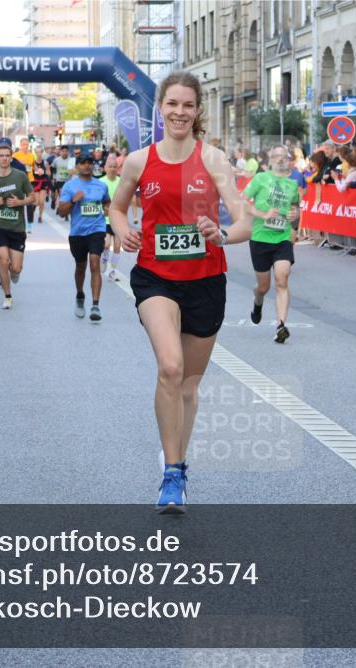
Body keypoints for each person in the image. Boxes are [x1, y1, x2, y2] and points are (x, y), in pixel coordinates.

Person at [108, 70, 251, 513]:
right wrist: (125, 228)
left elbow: (245, 221)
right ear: (161, 107)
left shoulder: (214, 161)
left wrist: (221, 233)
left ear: (198, 110)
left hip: (206, 279)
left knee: (189, 383)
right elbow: (116, 207)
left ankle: (179, 460)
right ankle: (171, 474)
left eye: (188, 105)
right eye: (172, 104)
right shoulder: (138, 161)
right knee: (170, 367)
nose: (180, 112)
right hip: (155, 276)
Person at [243, 145, 301, 343]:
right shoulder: (260, 179)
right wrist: (262, 214)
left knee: (282, 279)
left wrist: (295, 215)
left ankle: (281, 325)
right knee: (263, 287)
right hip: (260, 238)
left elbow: (296, 209)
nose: (280, 160)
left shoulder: (292, 184)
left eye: (284, 157)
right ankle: (257, 302)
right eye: (276, 156)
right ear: (270, 160)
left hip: (282, 237)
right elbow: (242, 201)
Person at [0, 143, 33, 310]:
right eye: (1, 155)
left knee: (15, 268)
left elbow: (33, 197)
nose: (4, 158)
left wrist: (20, 202)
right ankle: (8, 296)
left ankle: (13, 273)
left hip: (17, 227)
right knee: (3, 260)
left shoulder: (20, 176)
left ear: (11, 158)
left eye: (7, 155)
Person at [57, 153, 110, 321]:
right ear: (77, 166)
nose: (87, 166)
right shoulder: (70, 186)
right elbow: (61, 211)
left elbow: (106, 202)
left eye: (90, 163)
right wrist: (74, 201)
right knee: (80, 266)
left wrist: (108, 209)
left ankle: (95, 305)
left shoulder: (101, 185)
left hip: (97, 230)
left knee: (95, 262)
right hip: (77, 233)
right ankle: (80, 295)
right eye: (83, 163)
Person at [99, 156, 124, 281]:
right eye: (110, 166)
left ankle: (112, 270)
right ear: (105, 168)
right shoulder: (101, 182)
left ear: (118, 168)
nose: (112, 169)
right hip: (105, 219)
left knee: (117, 247)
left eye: (115, 166)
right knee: (106, 244)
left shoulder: (121, 181)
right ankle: (104, 258)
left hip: (118, 219)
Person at [12, 138, 37, 230]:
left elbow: (34, 167)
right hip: (18, 181)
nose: (26, 146)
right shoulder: (15, 155)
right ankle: (17, 221)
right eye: (24, 144)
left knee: (30, 202)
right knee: (18, 201)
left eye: (27, 145)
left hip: (29, 180)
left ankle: (29, 223)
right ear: (20, 145)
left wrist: (39, 170)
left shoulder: (31, 155)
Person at [51, 145, 75, 214]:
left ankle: (61, 207)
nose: (64, 153)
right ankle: (61, 208)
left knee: (67, 196)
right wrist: (53, 178)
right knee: (62, 195)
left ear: (68, 152)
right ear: (60, 152)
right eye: (63, 151)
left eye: (66, 151)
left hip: (68, 181)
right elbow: (53, 169)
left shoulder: (71, 160)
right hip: (60, 180)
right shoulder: (56, 160)